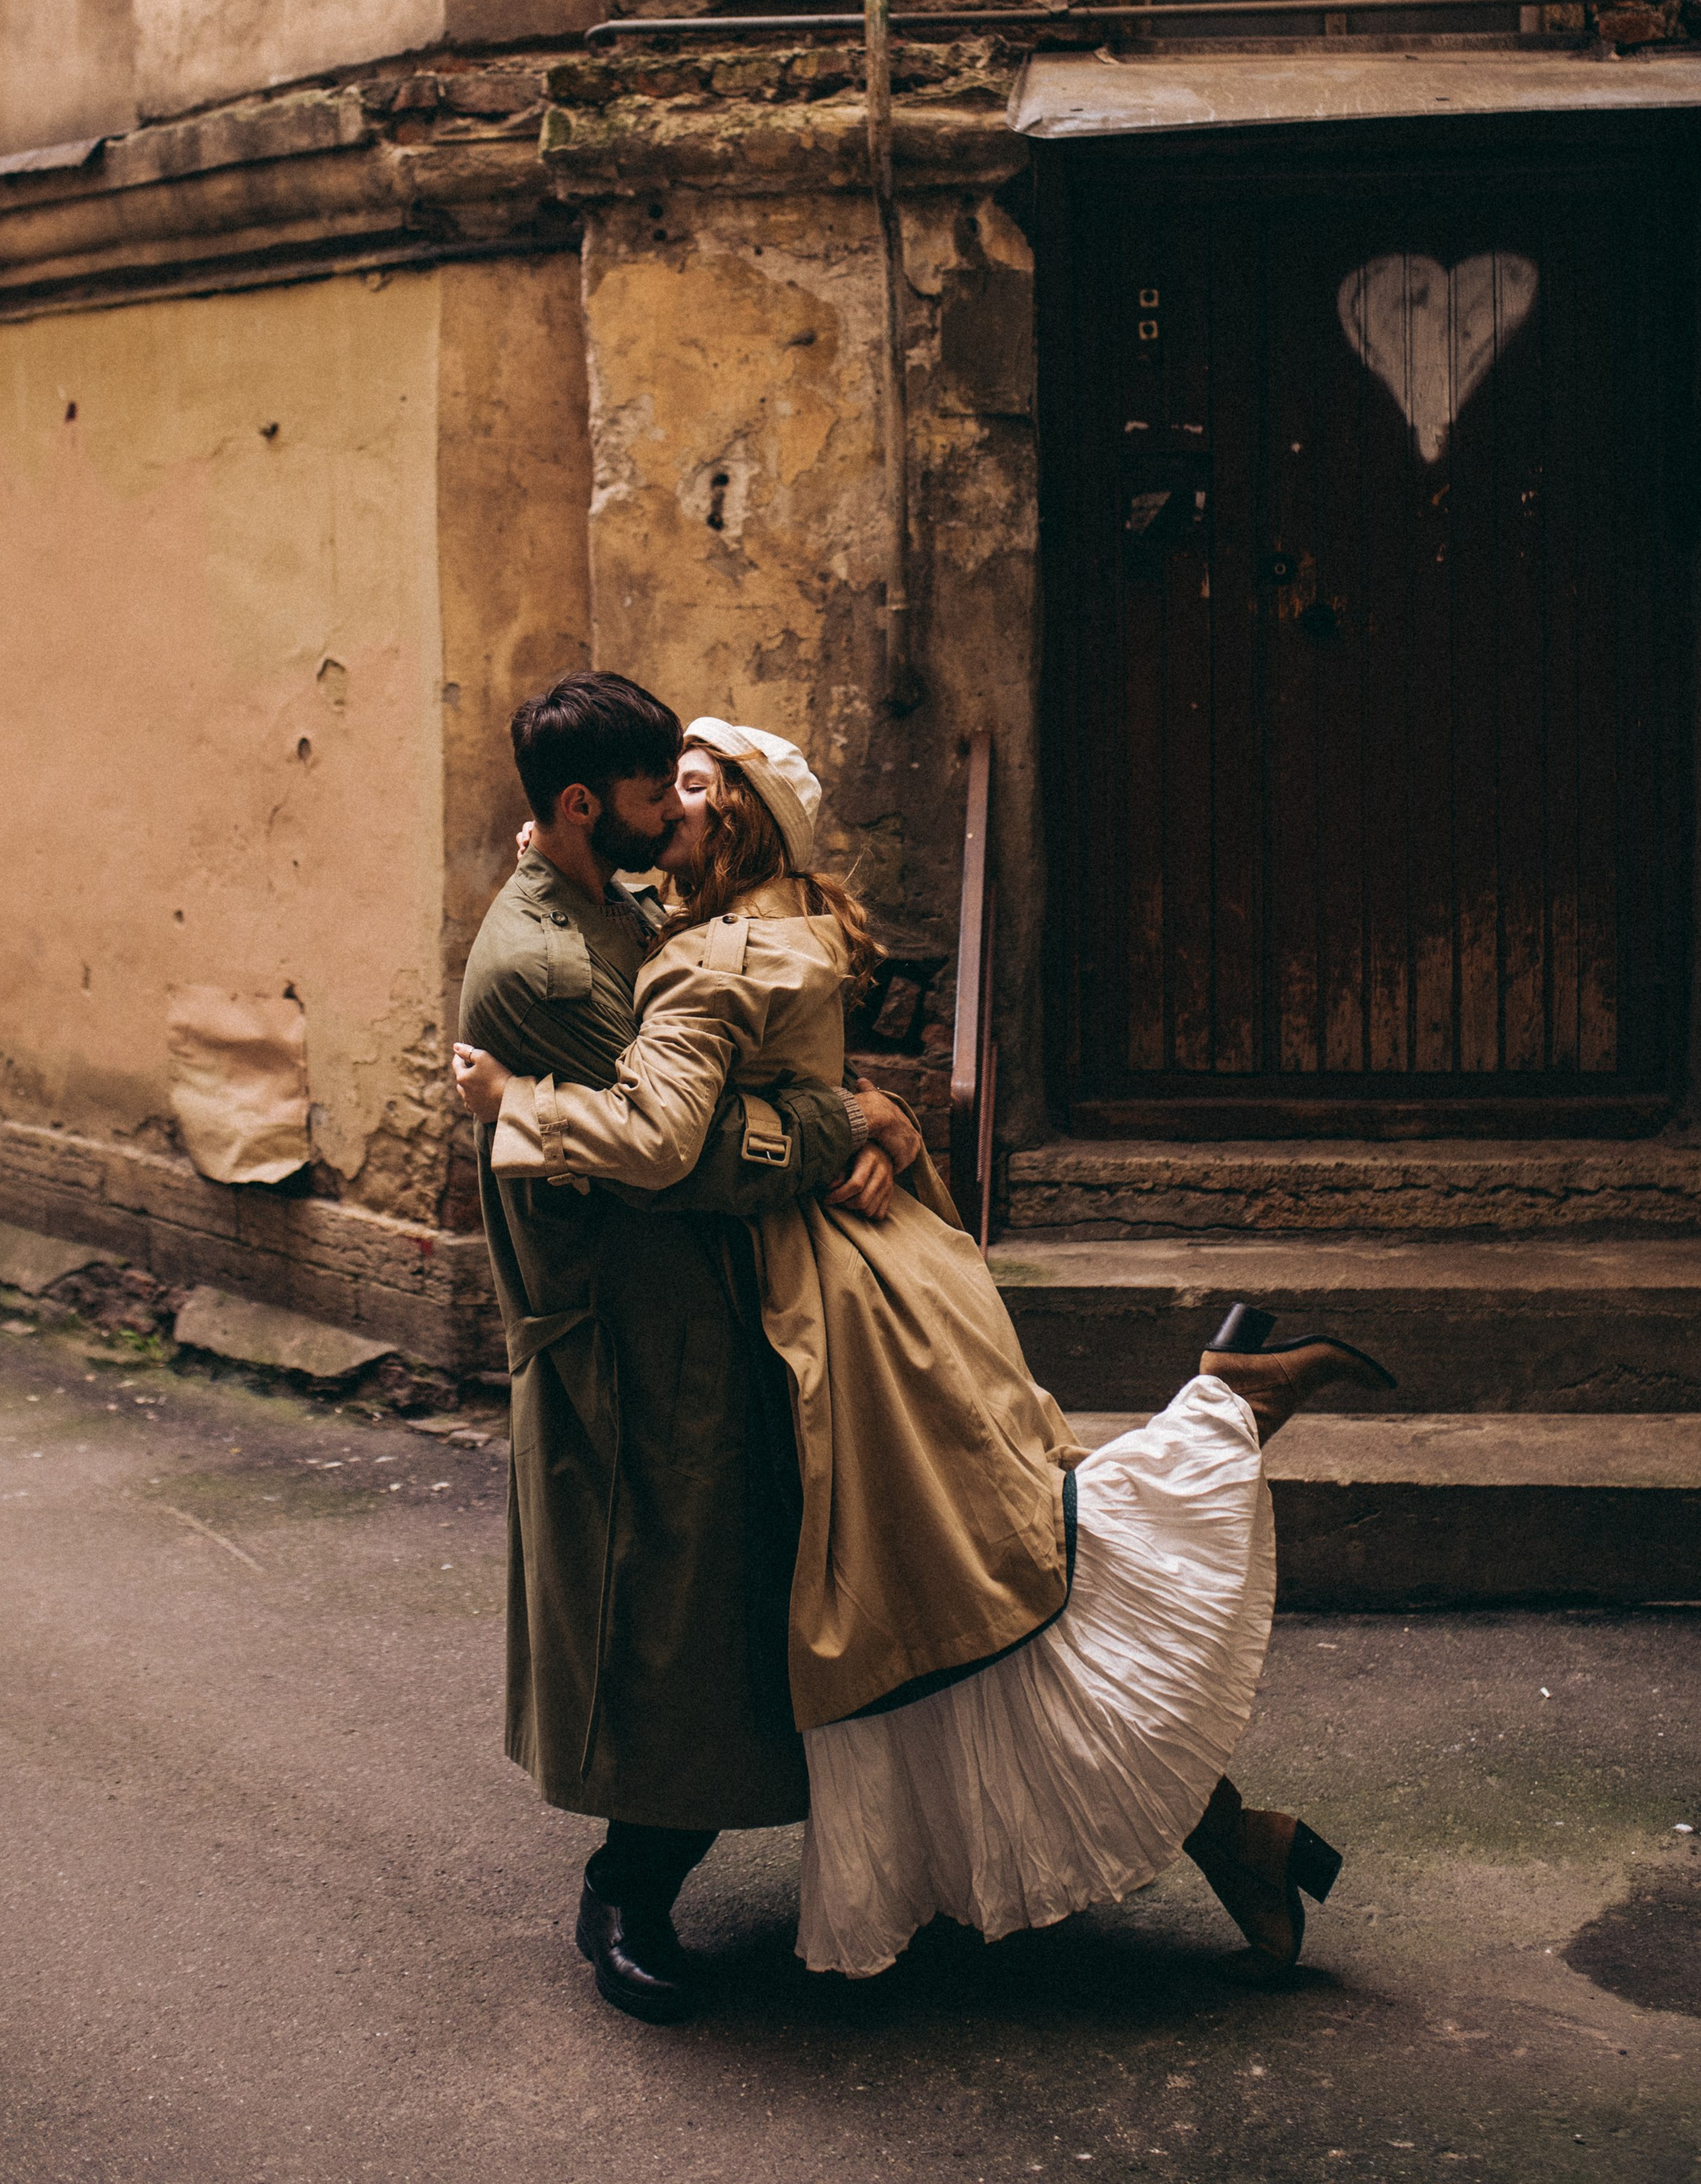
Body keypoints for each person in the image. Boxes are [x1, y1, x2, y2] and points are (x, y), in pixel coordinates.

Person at [458, 714, 1395, 1990]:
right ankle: (1241, 1827)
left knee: (968, 1596)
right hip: (878, 1283)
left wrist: (520, 1103)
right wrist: (559, 847)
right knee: (982, 1600)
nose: (660, 813)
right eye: (647, 790)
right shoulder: (745, 914)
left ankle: (1216, 1424)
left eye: (685, 789)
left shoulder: (723, 948)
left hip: (835, 1314)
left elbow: (669, 1139)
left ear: (731, 818)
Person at [454, 671, 923, 2028]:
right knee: (653, 1619)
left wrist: (844, 1100)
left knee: (716, 1607)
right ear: (588, 805)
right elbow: (698, 1153)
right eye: (662, 791)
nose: (679, 814)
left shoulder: (627, 898)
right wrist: (857, 1119)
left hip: (693, 1317)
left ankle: (666, 1865)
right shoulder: (543, 963)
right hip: (624, 1340)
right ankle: (625, 1896)